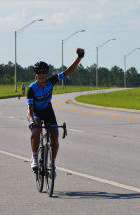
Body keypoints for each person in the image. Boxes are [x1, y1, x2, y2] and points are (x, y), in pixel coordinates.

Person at [26, 48, 85, 179]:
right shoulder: (31, 89)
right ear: (35, 74)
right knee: (36, 128)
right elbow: (29, 109)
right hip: (35, 111)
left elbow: (68, 72)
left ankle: (52, 164)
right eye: (38, 72)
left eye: (44, 72)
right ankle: (34, 157)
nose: (41, 75)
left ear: (47, 73)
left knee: (55, 134)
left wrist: (79, 57)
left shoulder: (51, 81)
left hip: (47, 110)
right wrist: (31, 121)